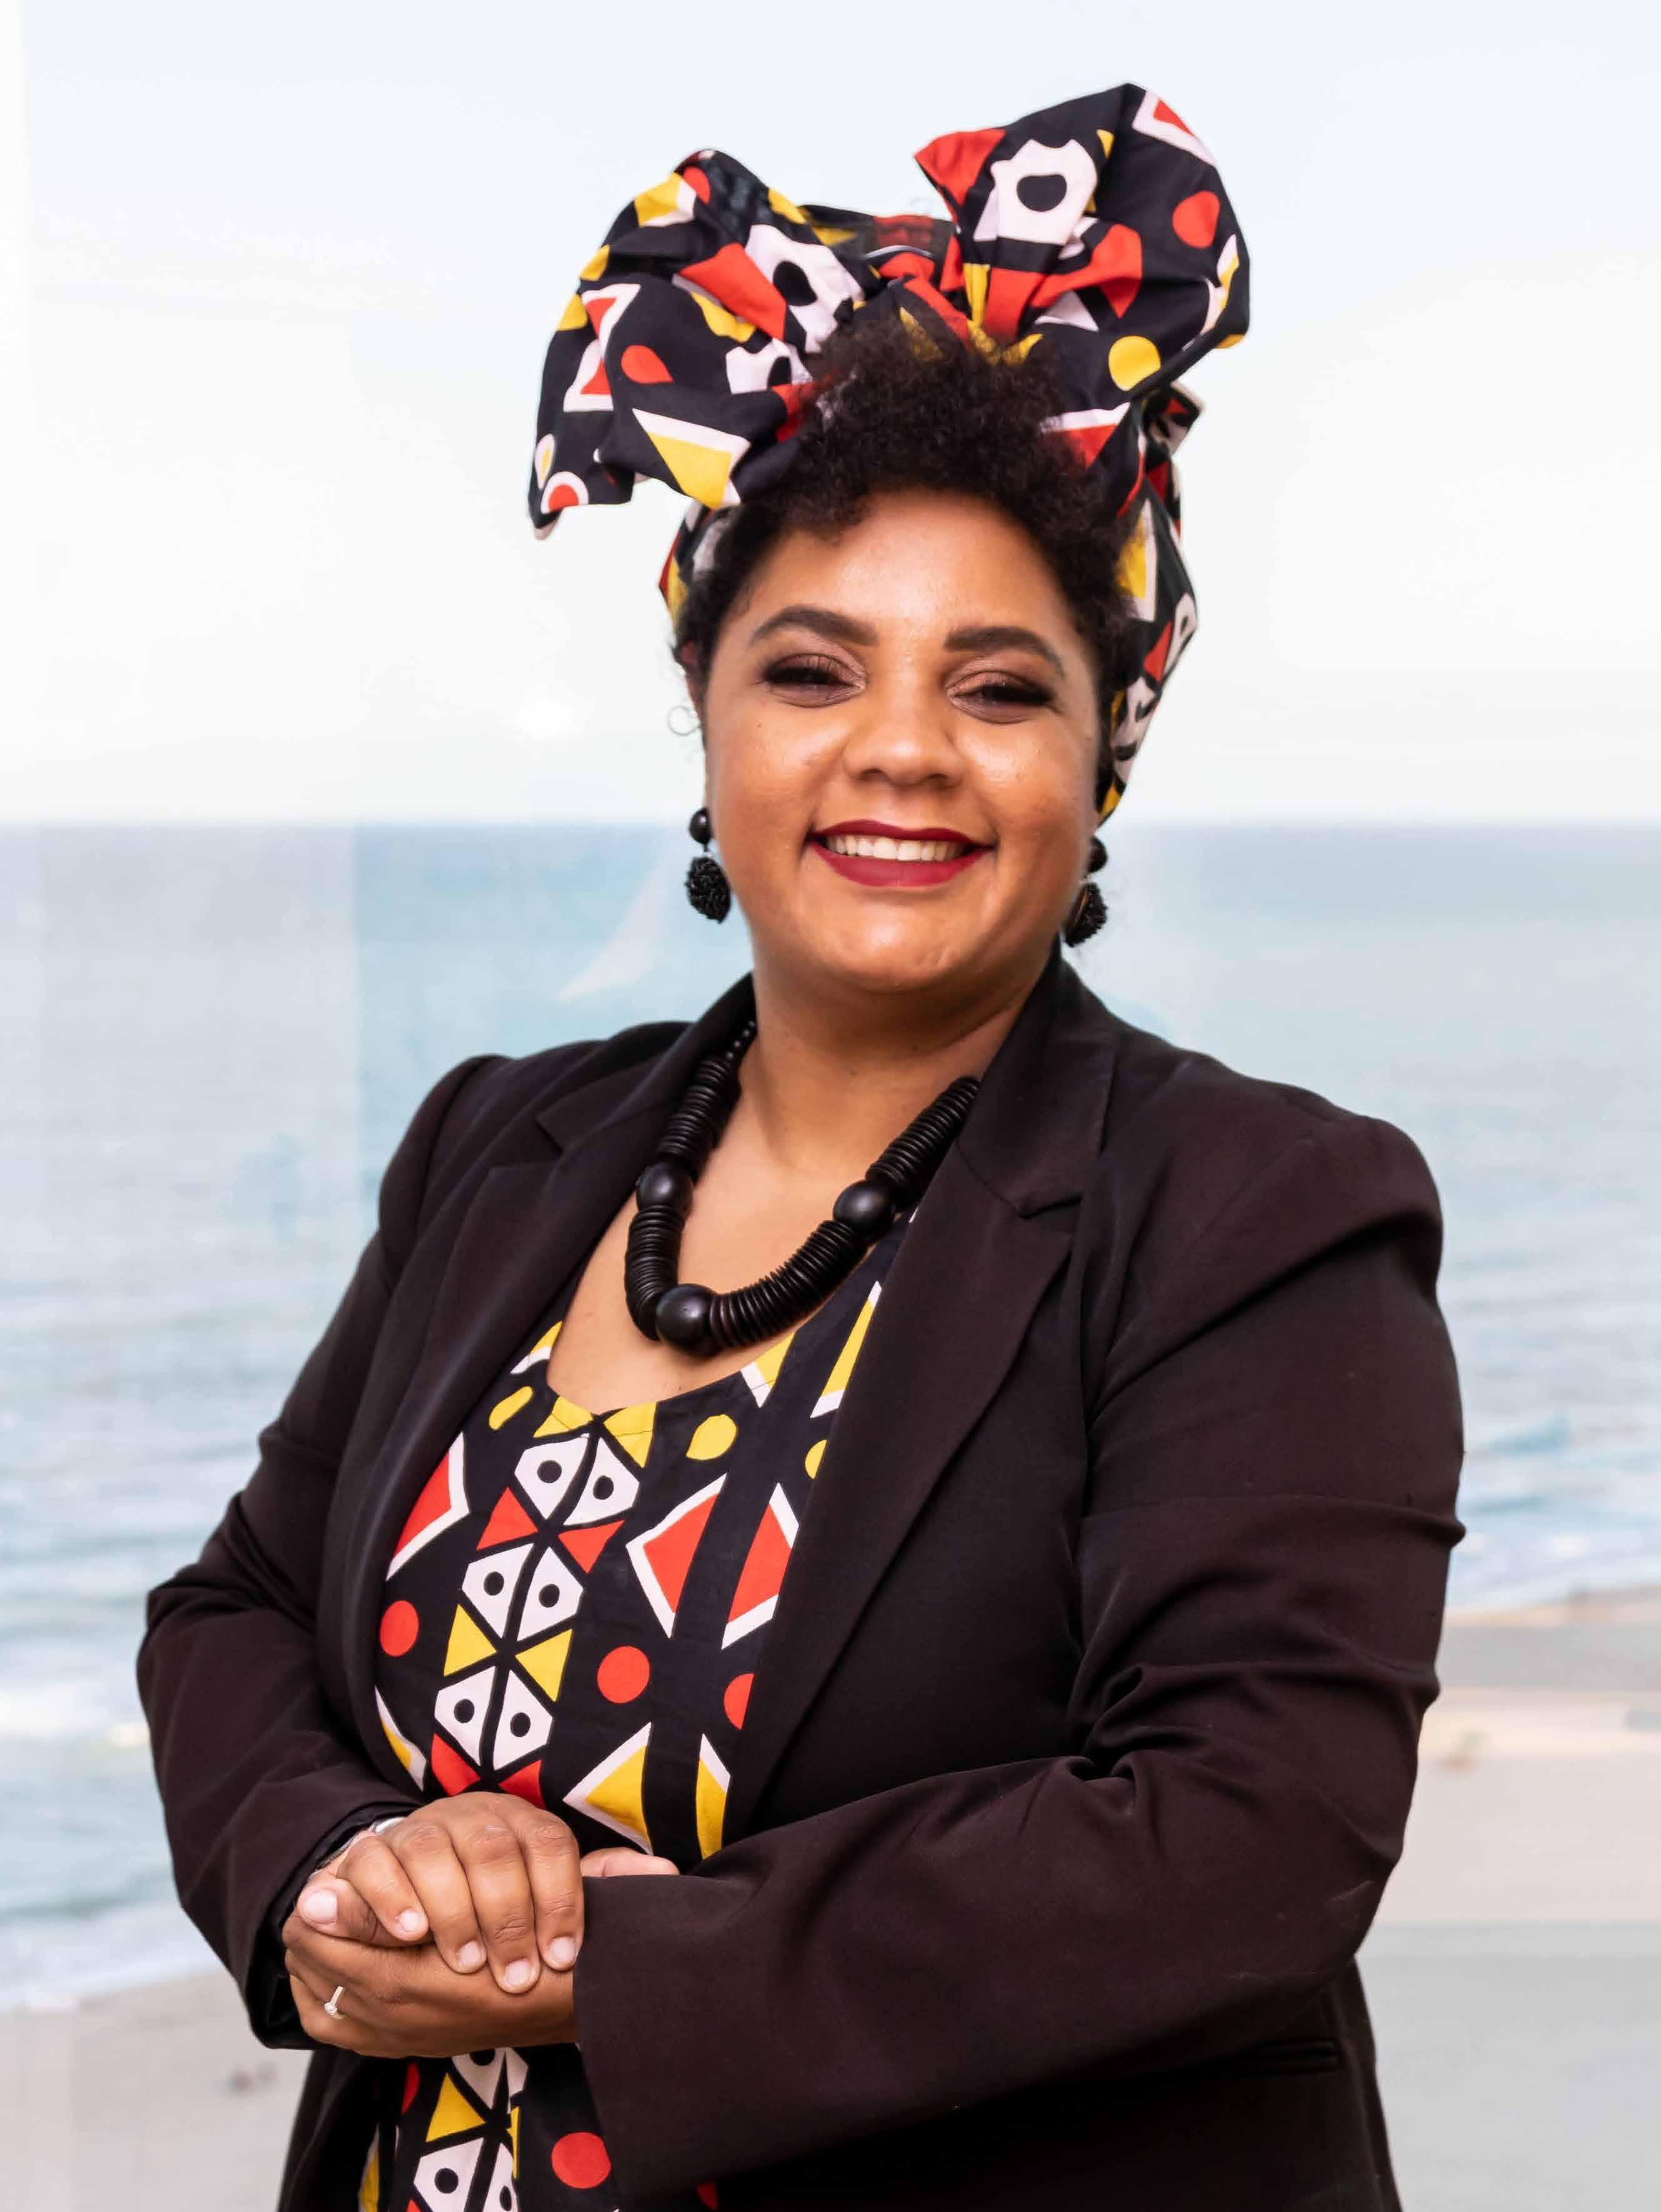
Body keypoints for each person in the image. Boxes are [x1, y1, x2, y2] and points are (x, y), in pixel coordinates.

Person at [138, 84, 1464, 2212]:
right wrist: (331, 1865)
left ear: (1104, 750)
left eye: (998, 688)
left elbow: (1249, 1830)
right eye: (812, 669)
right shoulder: (500, 1142)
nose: (900, 749)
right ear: (708, 712)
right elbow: (239, 1609)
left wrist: (594, 1966)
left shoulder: (1256, 1211)